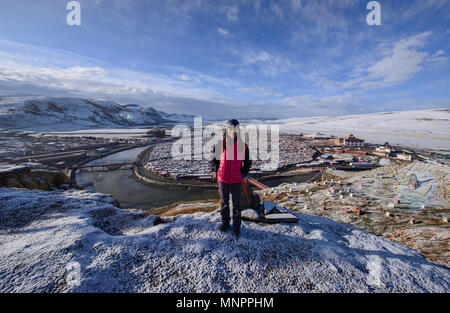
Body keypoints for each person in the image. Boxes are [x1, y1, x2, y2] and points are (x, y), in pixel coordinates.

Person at [211, 119, 251, 236]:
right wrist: (215, 171)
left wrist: (243, 174)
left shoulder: (243, 146)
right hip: (222, 178)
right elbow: (214, 161)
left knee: (237, 204)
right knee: (224, 203)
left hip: (236, 179)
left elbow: (248, 163)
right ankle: (225, 223)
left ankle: (236, 227)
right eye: (230, 129)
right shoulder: (220, 144)